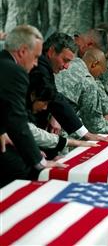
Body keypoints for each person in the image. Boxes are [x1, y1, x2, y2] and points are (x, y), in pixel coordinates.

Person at [0, 25, 66, 187]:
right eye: (36, 57)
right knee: (27, 169)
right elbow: (17, 121)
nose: (36, 64)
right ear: (22, 51)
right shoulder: (15, 71)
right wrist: (38, 160)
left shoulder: (3, 62)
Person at [30, 32, 108, 142]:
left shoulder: (45, 67)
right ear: (51, 52)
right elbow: (55, 99)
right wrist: (85, 134)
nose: (66, 67)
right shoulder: (40, 69)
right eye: (65, 60)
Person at [27, 71, 99, 159]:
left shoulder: (35, 103)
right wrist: (72, 142)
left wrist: (52, 155)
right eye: (44, 103)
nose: (45, 108)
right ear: (33, 95)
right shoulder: (19, 105)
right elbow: (32, 133)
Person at [55, 47, 108, 134]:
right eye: (100, 72)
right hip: (58, 129)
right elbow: (95, 126)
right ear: (94, 64)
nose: (98, 76)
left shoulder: (72, 62)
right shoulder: (88, 82)